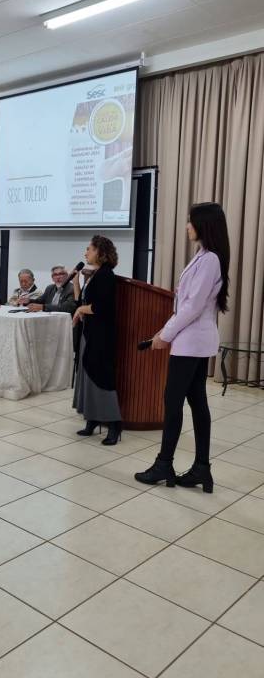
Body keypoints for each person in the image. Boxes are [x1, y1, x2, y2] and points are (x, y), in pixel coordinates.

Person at [135, 202, 230, 493]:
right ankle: (201, 468)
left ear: (204, 225)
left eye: (191, 221)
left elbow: (191, 306)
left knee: (173, 401)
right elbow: (185, 305)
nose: (187, 226)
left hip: (191, 342)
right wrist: (164, 331)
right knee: (196, 401)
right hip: (193, 340)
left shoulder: (210, 259)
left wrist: (165, 335)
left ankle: (164, 464)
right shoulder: (205, 256)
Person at [72, 236, 122, 445]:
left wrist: (81, 310)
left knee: (101, 376)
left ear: (101, 252)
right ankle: (92, 418)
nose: (86, 253)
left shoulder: (106, 276)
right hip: (90, 333)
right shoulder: (94, 275)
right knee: (87, 374)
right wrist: (76, 285)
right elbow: (82, 302)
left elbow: (100, 307)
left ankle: (114, 424)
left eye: (89, 249)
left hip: (101, 335)